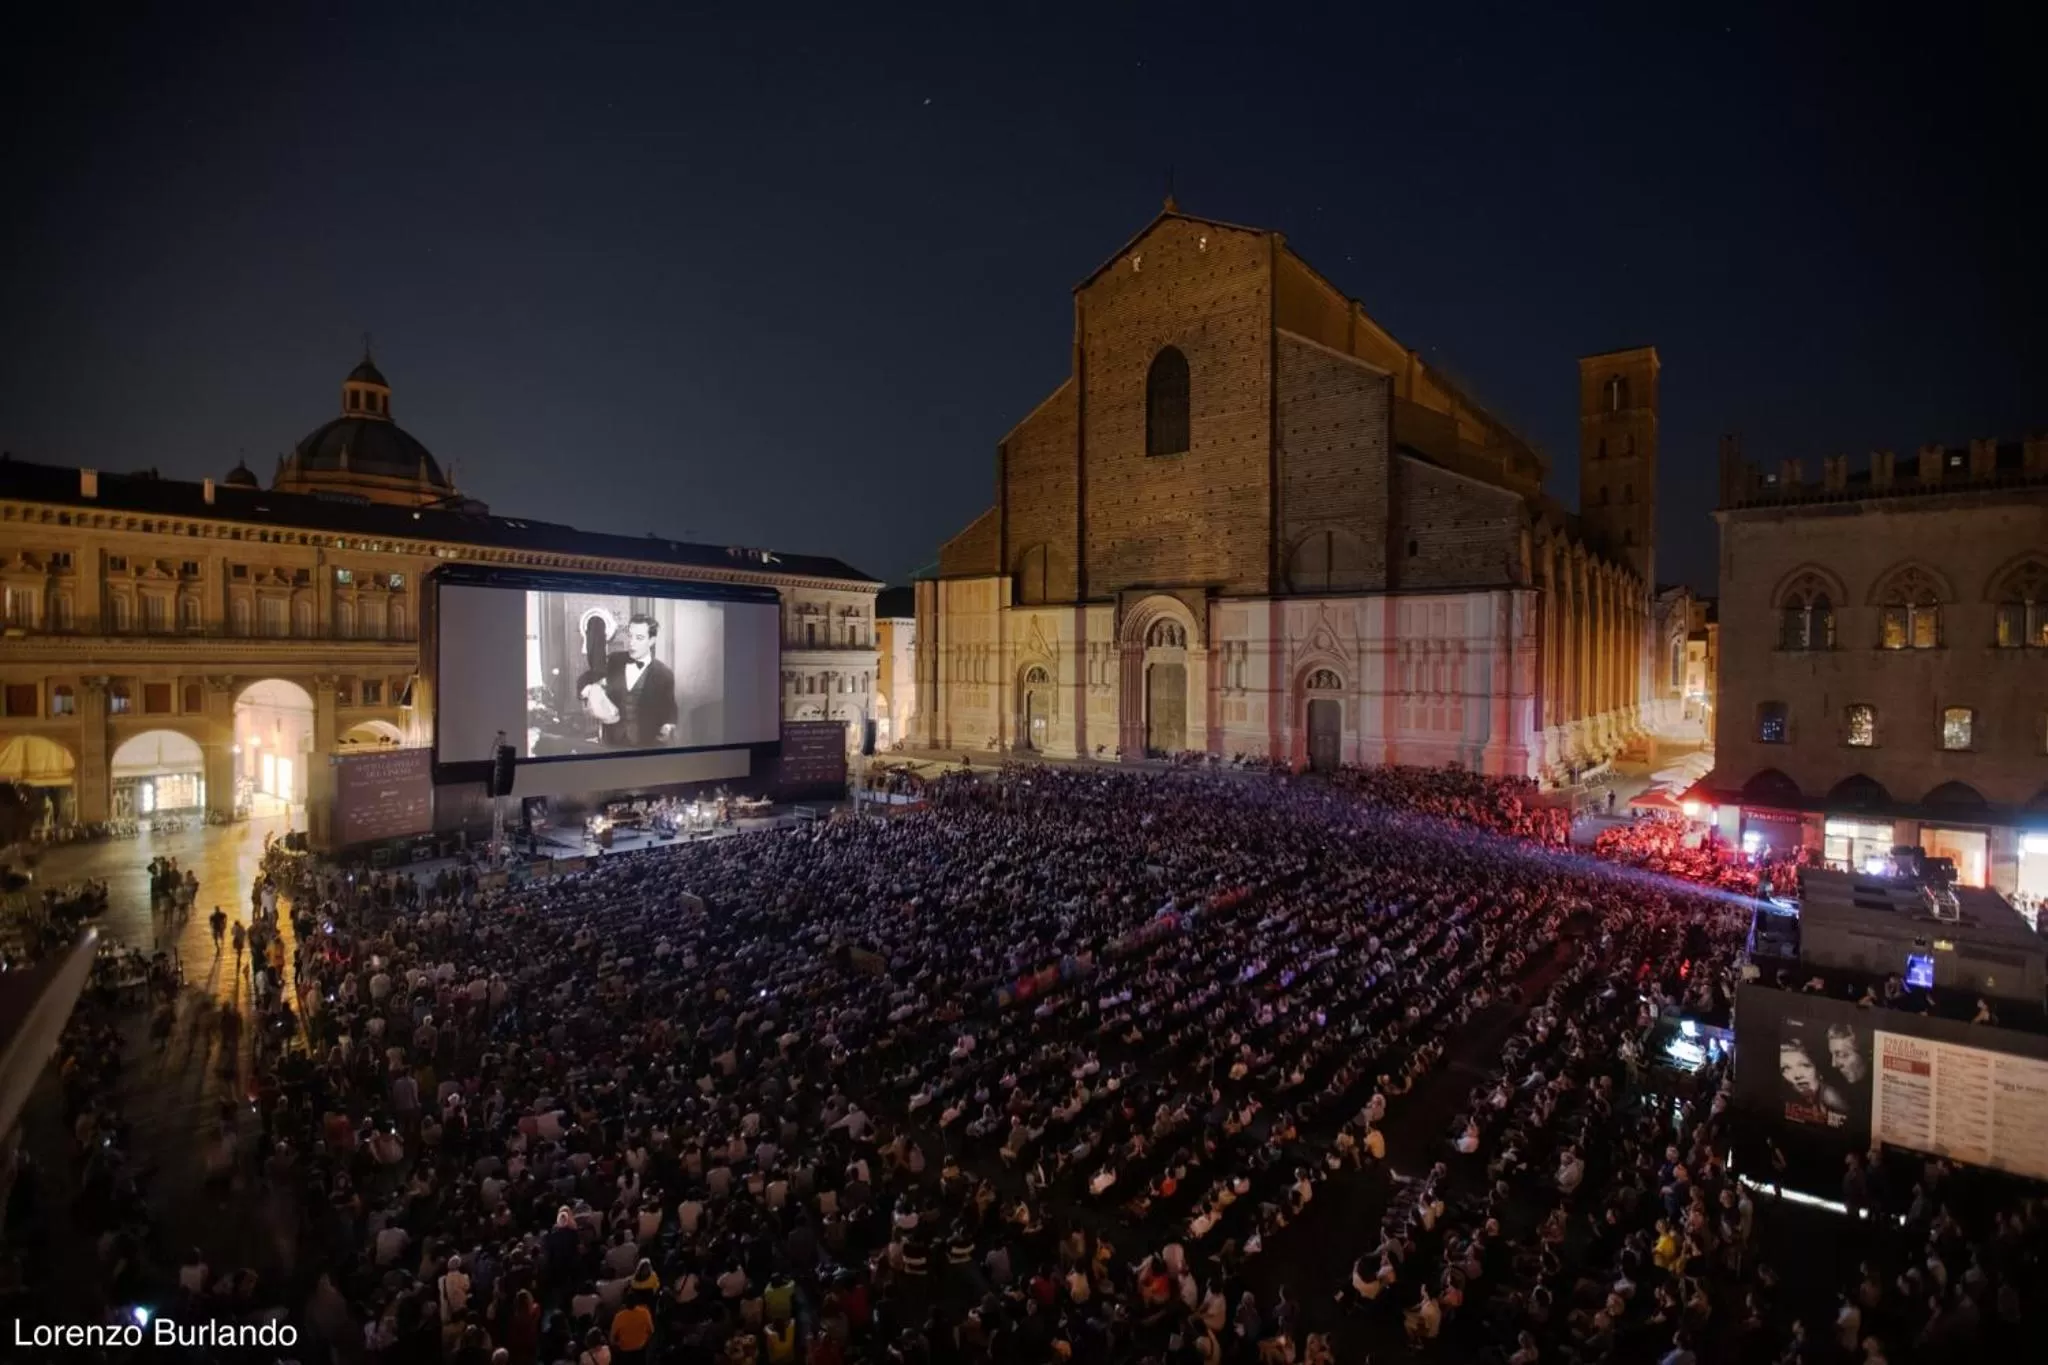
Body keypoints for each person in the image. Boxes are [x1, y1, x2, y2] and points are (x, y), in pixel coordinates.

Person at [581, 613, 678, 749]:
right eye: (630, 636)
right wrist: (590, 689)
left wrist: (668, 726)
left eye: (639, 638)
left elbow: (670, 710)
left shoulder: (664, 674)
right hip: (611, 743)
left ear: (651, 640)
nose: (632, 643)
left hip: (646, 746)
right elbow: (589, 676)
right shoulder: (615, 661)